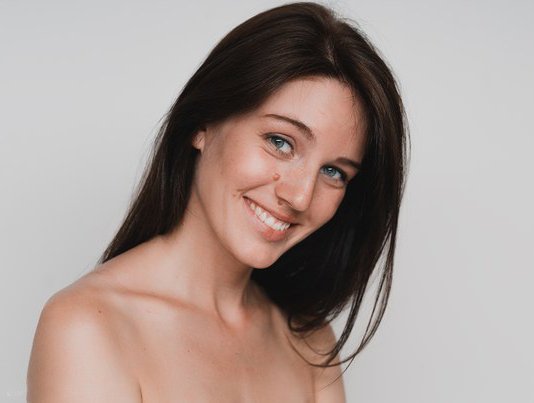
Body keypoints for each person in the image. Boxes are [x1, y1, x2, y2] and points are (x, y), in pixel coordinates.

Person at [26, 2, 408, 402]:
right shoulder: (88, 327)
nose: (299, 196)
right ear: (203, 124)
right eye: (280, 142)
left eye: (334, 172)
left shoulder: (309, 342)